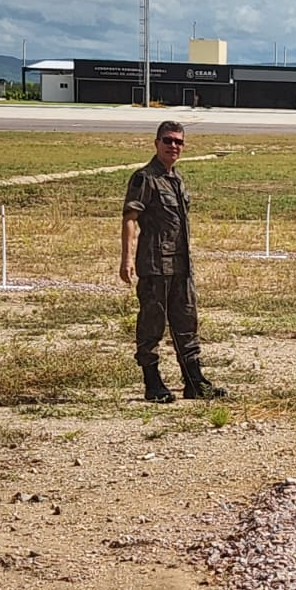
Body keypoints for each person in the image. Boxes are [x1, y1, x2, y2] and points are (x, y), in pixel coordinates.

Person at [119, 120, 225, 403]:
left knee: (186, 321)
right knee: (152, 323)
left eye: (178, 141)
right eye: (168, 140)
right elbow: (130, 219)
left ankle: (194, 380)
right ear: (156, 143)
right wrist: (126, 259)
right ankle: (152, 382)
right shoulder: (145, 178)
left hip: (181, 265)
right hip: (155, 265)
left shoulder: (175, 179)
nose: (173, 146)